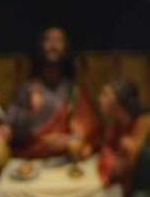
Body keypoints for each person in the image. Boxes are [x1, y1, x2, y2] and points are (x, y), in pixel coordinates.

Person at [7, 26, 99, 160]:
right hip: (32, 159)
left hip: (64, 159)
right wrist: (31, 114)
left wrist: (69, 140)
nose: (53, 45)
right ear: (40, 46)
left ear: (66, 48)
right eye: (48, 40)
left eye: (58, 40)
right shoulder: (27, 89)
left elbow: (89, 129)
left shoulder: (74, 91)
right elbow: (11, 130)